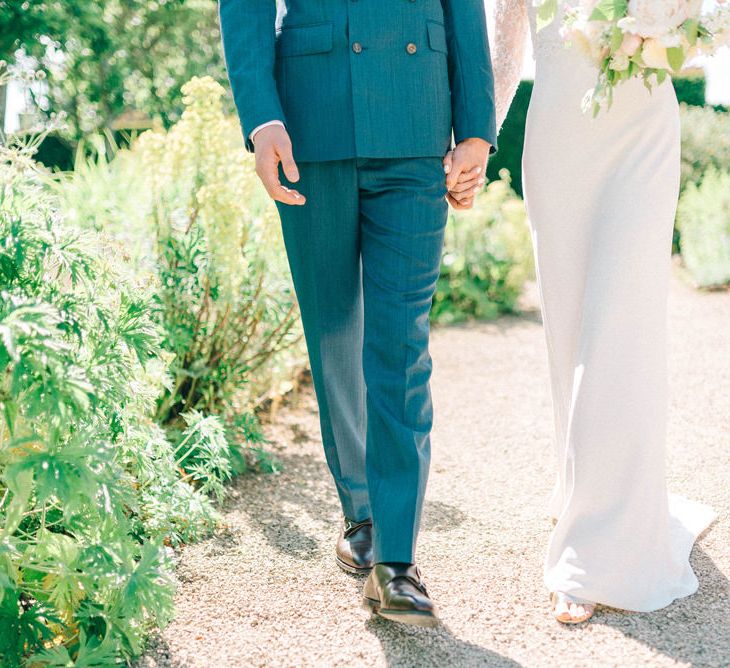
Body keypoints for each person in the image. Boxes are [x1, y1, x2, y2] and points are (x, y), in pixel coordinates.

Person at [219, 0, 497, 627]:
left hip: (415, 118)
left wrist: (475, 123)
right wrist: (262, 117)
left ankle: (396, 560)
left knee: (401, 344)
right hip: (310, 121)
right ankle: (363, 515)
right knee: (334, 330)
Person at [447, 0, 715, 624]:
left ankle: (596, 549)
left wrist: (666, 26)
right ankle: (582, 488)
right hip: (561, 137)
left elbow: (702, 30)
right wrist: (475, 140)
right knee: (569, 328)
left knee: (622, 327)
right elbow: (505, 50)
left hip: (644, 129)